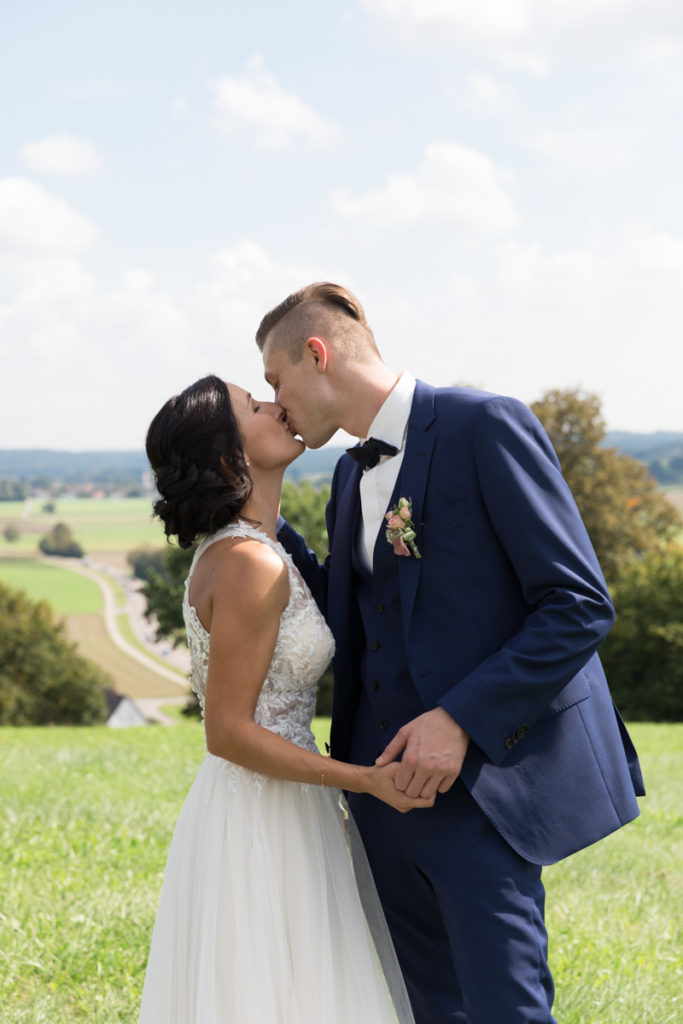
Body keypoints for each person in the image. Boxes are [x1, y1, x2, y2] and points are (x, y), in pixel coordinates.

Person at [256, 282, 646, 1024]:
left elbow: (577, 603)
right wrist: (255, 522)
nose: (276, 403)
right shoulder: (347, 472)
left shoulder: (486, 425)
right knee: (426, 1008)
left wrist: (458, 720)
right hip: (378, 789)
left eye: (277, 381)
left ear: (316, 354)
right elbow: (353, 610)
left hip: (480, 788)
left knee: (505, 1009)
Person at [138, 374, 428, 1024]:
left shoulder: (260, 550)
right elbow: (228, 732)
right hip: (261, 816)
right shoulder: (249, 564)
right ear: (228, 457)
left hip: (283, 803)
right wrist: (362, 780)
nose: (277, 405)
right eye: (254, 406)